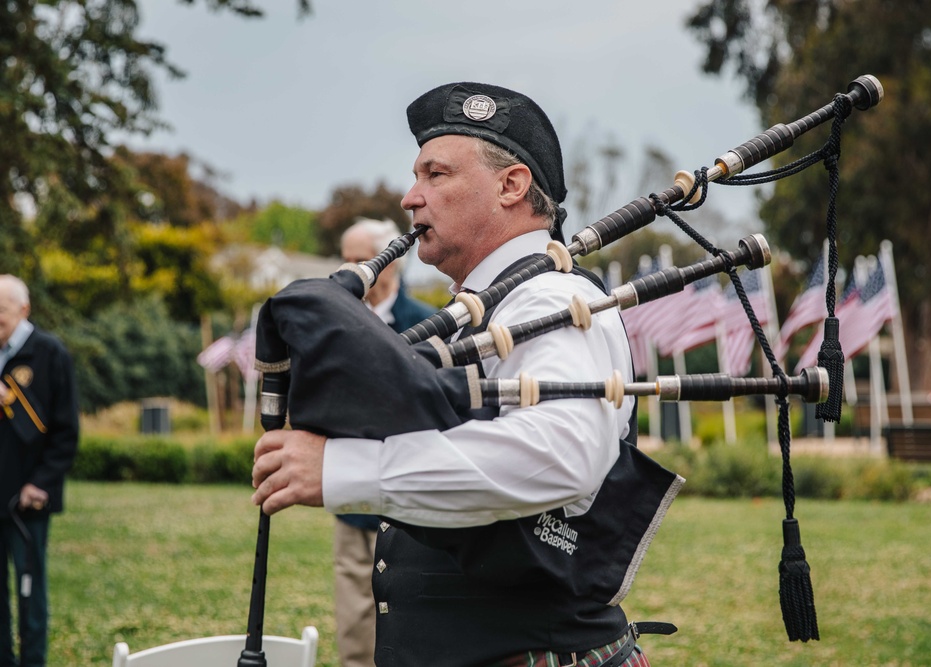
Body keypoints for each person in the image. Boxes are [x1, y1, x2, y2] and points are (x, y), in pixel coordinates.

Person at [252, 82, 662, 666]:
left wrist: (344, 470)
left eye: (435, 175)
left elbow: (559, 455)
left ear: (511, 185)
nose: (410, 198)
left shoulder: (555, 299)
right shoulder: (470, 314)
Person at [334, 218, 436, 667]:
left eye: (360, 259)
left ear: (391, 263)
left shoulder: (431, 322)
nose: (351, 269)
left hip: (413, 499)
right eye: (346, 258)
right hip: (354, 498)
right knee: (355, 616)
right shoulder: (336, 321)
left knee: (417, 614)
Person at [0, 275, 80, 667]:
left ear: (23, 309)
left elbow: (65, 433)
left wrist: (41, 483)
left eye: (0, 311)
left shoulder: (49, 353)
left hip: (28, 499)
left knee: (30, 591)